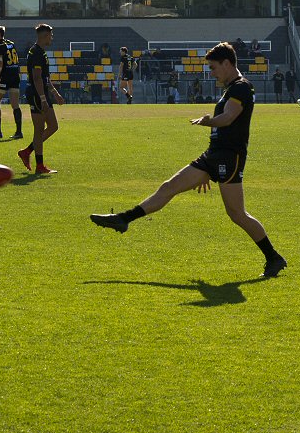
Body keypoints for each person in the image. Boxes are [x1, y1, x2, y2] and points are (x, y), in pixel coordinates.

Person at [91, 41, 287, 279]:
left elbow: (228, 118)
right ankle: (123, 219)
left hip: (229, 157)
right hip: (214, 155)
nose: (212, 73)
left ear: (227, 63)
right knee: (169, 187)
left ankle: (273, 257)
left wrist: (208, 121)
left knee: (237, 214)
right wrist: (206, 170)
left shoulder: (241, 88)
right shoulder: (232, 88)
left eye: (214, 67)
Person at [18, 24, 63, 175]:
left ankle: (27, 151)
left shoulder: (41, 52)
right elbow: (37, 78)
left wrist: (55, 93)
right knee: (38, 130)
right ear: (45, 36)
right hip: (37, 94)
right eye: (51, 35)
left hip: (42, 93)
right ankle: (40, 165)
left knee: (53, 126)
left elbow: (45, 78)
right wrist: (43, 99)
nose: (52, 38)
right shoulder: (36, 52)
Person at [0, 26, 23, 141]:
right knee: (15, 105)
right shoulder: (11, 43)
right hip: (15, 76)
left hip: (5, 77)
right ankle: (18, 132)